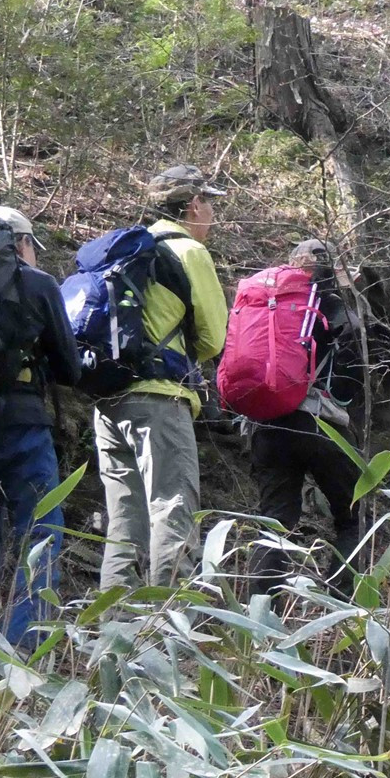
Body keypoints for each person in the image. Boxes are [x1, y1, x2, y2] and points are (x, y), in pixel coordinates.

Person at [94, 165, 229, 588]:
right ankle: (169, 632)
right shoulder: (188, 251)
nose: (212, 214)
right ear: (193, 205)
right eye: (210, 203)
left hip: (107, 397)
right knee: (171, 506)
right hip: (159, 399)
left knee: (123, 524)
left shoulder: (126, 248)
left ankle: (114, 634)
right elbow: (213, 336)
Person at [0, 205, 82, 647]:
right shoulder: (37, 284)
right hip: (23, 424)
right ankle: (22, 646)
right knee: (39, 532)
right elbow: (70, 368)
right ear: (20, 242)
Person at [243, 239, 366, 595]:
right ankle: (343, 605)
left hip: (268, 422)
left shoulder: (269, 304)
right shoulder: (325, 303)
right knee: (352, 518)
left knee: (275, 523)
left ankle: (260, 618)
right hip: (319, 424)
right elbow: (354, 340)